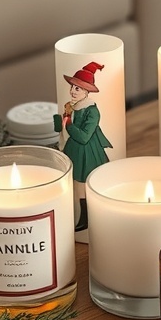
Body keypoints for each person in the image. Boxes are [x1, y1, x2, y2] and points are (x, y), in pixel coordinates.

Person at [53, 61, 112, 231]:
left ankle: (94, 218)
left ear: (86, 91)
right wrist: (61, 120)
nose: (72, 91)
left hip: (87, 152)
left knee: (86, 185)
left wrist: (69, 123)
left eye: (77, 88)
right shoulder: (72, 107)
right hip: (73, 150)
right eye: (72, 86)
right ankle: (84, 220)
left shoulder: (91, 110)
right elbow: (61, 130)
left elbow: (85, 136)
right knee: (78, 187)